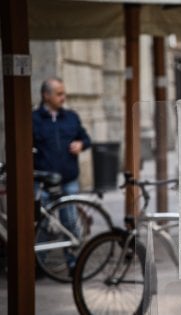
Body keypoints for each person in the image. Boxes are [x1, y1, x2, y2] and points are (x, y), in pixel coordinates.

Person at [32, 77, 91, 269]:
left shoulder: (71, 117)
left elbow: (86, 138)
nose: (63, 97)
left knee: (70, 223)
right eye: (59, 94)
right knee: (41, 224)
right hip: (44, 183)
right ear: (45, 95)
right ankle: (39, 264)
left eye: (63, 93)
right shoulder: (33, 119)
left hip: (68, 180)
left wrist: (80, 144)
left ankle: (73, 263)